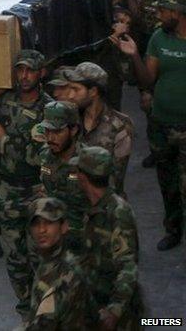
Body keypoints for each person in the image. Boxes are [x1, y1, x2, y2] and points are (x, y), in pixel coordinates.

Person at [0, 49, 53, 317]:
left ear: (41, 73)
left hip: (36, 192)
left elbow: (39, 156)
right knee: (15, 259)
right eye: (20, 70)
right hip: (7, 191)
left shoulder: (48, 109)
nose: (23, 76)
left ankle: (44, 313)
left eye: (30, 70)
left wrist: (5, 139)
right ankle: (25, 311)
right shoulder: (6, 100)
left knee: (40, 258)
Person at [113, 0, 186, 251]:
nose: (159, 14)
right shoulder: (158, 38)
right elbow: (147, 79)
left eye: (164, 11)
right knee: (167, 182)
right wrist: (133, 55)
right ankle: (173, 230)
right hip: (162, 124)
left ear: (178, 13)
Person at [72, 146, 143, 328]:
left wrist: (114, 311)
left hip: (118, 313)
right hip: (94, 300)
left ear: (83, 176)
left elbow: (127, 266)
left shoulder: (118, 213)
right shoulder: (90, 205)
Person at [62, 62, 135, 195]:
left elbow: (115, 176)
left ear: (93, 92)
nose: (70, 95)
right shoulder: (68, 120)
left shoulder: (120, 125)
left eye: (76, 89)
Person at [24, 196, 89, 329]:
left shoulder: (64, 275)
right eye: (36, 223)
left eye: (49, 222)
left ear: (63, 227)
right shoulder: (50, 260)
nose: (41, 230)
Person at [35, 101, 89, 251]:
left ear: (73, 130)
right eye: (47, 131)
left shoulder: (88, 161)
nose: (50, 137)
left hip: (83, 237)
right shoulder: (45, 154)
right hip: (54, 237)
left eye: (57, 132)